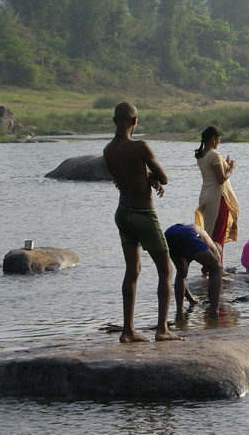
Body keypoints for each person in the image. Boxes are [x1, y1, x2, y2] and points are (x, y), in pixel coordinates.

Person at [103, 101, 182, 343]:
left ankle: (128, 331)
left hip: (122, 213)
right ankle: (162, 329)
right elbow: (165, 178)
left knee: (132, 270)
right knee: (166, 270)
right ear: (134, 122)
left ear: (115, 121)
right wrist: (154, 179)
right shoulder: (140, 146)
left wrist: (148, 178)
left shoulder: (108, 150)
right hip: (143, 214)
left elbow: (124, 178)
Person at [194, 126, 239, 265]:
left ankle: (208, 265)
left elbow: (213, 172)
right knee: (218, 233)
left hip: (205, 195)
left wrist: (224, 164)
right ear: (213, 138)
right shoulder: (214, 155)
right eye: (218, 139)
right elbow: (221, 179)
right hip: (218, 197)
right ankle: (217, 266)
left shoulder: (201, 156)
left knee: (209, 232)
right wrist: (230, 168)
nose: (219, 142)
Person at [164, 223, 224, 318]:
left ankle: (179, 311)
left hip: (169, 233)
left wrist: (192, 301)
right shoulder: (213, 246)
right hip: (187, 233)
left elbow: (183, 277)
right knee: (217, 268)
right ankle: (214, 311)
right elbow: (217, 269)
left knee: (181, 273)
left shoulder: (193, 248)